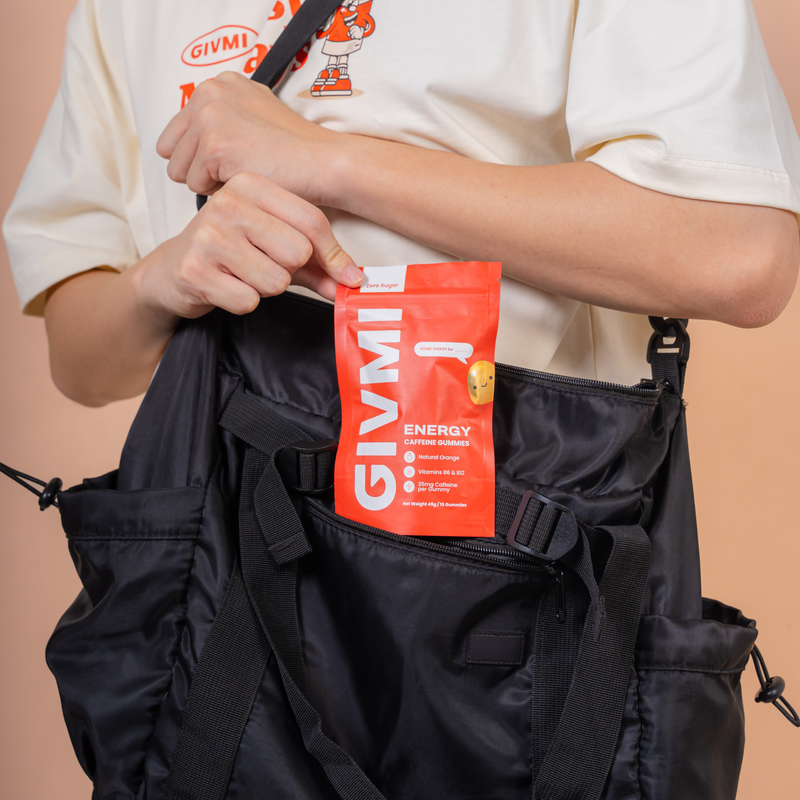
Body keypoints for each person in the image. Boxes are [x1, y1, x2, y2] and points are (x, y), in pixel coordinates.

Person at [4, 0, 800, 408]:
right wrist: (161, 280)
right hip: (228, 585)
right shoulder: (121, 10)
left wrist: (330, 162)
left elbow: (738, 254)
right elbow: (82, 367)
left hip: (526, 567)